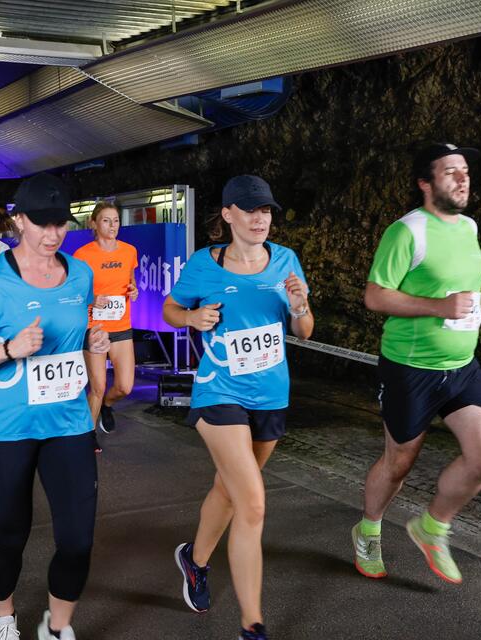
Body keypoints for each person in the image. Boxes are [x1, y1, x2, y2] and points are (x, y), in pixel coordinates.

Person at [0, 173, 109, 640]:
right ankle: (1, 613)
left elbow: (79, 336)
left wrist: (94, 343)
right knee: (11, 535)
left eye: (62, 224)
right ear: (18, 221)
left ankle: (57, 627)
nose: (54, 235)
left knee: (77, 540)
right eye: (43, 224)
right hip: (4, 428)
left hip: (68, 423)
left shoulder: (81, 274)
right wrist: (8, 350)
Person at [163, 175, 313, 640]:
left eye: (265, 211)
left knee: (229, 491)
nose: (259, 218)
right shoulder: (204, 266)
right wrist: (189, 317)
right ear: (227, 215)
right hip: (219, 390)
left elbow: (304, 330)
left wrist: (300, 304)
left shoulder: (286, 260)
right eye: (249, 210)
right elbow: (171, 307)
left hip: (271, 395)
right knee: (252, 502)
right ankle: (252, 624)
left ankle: (195, 560)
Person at [350, 142, 481, 585]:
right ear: (425, 183)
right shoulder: (407, 232)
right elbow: (375, 295)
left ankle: (433, 526)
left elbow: (467, 280)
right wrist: (438, 307)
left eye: (466, 172)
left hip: (461, 366)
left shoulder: (469, 228)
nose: (463, 179)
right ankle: (368, 530)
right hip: (410, 368)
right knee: (398, 463)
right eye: (450, 172)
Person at [73, 201, 138, 434]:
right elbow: (74, 294)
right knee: (98, 387)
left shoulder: (129, 251)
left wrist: (134, 290)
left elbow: (131, 283)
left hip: (121, 325)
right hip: (95, 326)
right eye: (106, 220)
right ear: (94, 223)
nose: (112, 225)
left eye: (116, 220)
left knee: (125, 386)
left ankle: (107, 406)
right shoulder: (82, 255)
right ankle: (87, 438)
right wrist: (92, 298)